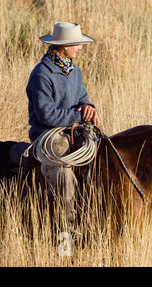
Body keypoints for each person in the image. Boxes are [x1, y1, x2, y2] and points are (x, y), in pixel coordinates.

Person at [26, 21, 100, 225]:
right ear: (64, 46)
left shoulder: (75, 71)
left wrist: (89, 108)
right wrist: (78, 116)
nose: (80, 47)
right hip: (47, 135)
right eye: (77, 44)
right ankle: (65, 226)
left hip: (74, 132)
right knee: (64, 171)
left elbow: (83, 99)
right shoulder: (41, 74)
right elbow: (46, 115)